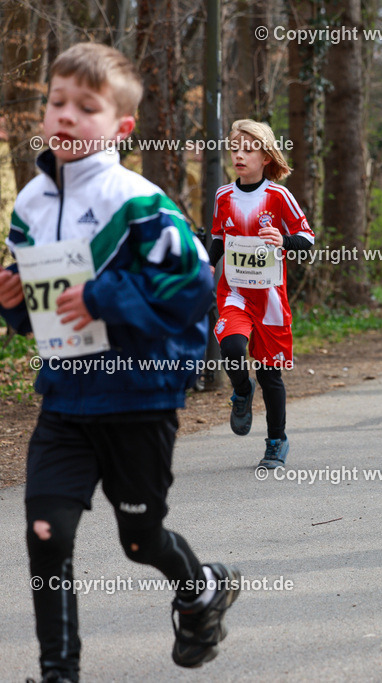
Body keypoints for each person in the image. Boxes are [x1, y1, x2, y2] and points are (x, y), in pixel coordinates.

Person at [0, 43, 239, 681]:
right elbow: (41, 315)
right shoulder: (27, 207)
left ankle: (202, 590)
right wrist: (15, 303)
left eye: (87, 106)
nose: (66, 116)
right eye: (56, 103)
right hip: (67, 400)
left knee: (140, 543)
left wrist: (104, 295)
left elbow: (193, 287)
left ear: (121, 127)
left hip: (139, 398)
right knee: (45, 535)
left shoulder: (141, 203)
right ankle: (59, 673)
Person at [208, 119, 316, 469]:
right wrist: (209, 265)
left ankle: (276, 441)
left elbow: (308, 240)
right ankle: (241, 390)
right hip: (235, 293)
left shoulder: (279, 196)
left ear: (266, 156)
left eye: (248, 149)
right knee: (233, 347)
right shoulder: (224, 196)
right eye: (235, 148)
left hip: (269, 298)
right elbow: (218, 239)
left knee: (271, 374)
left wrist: (282, 240)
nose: (239, 155)